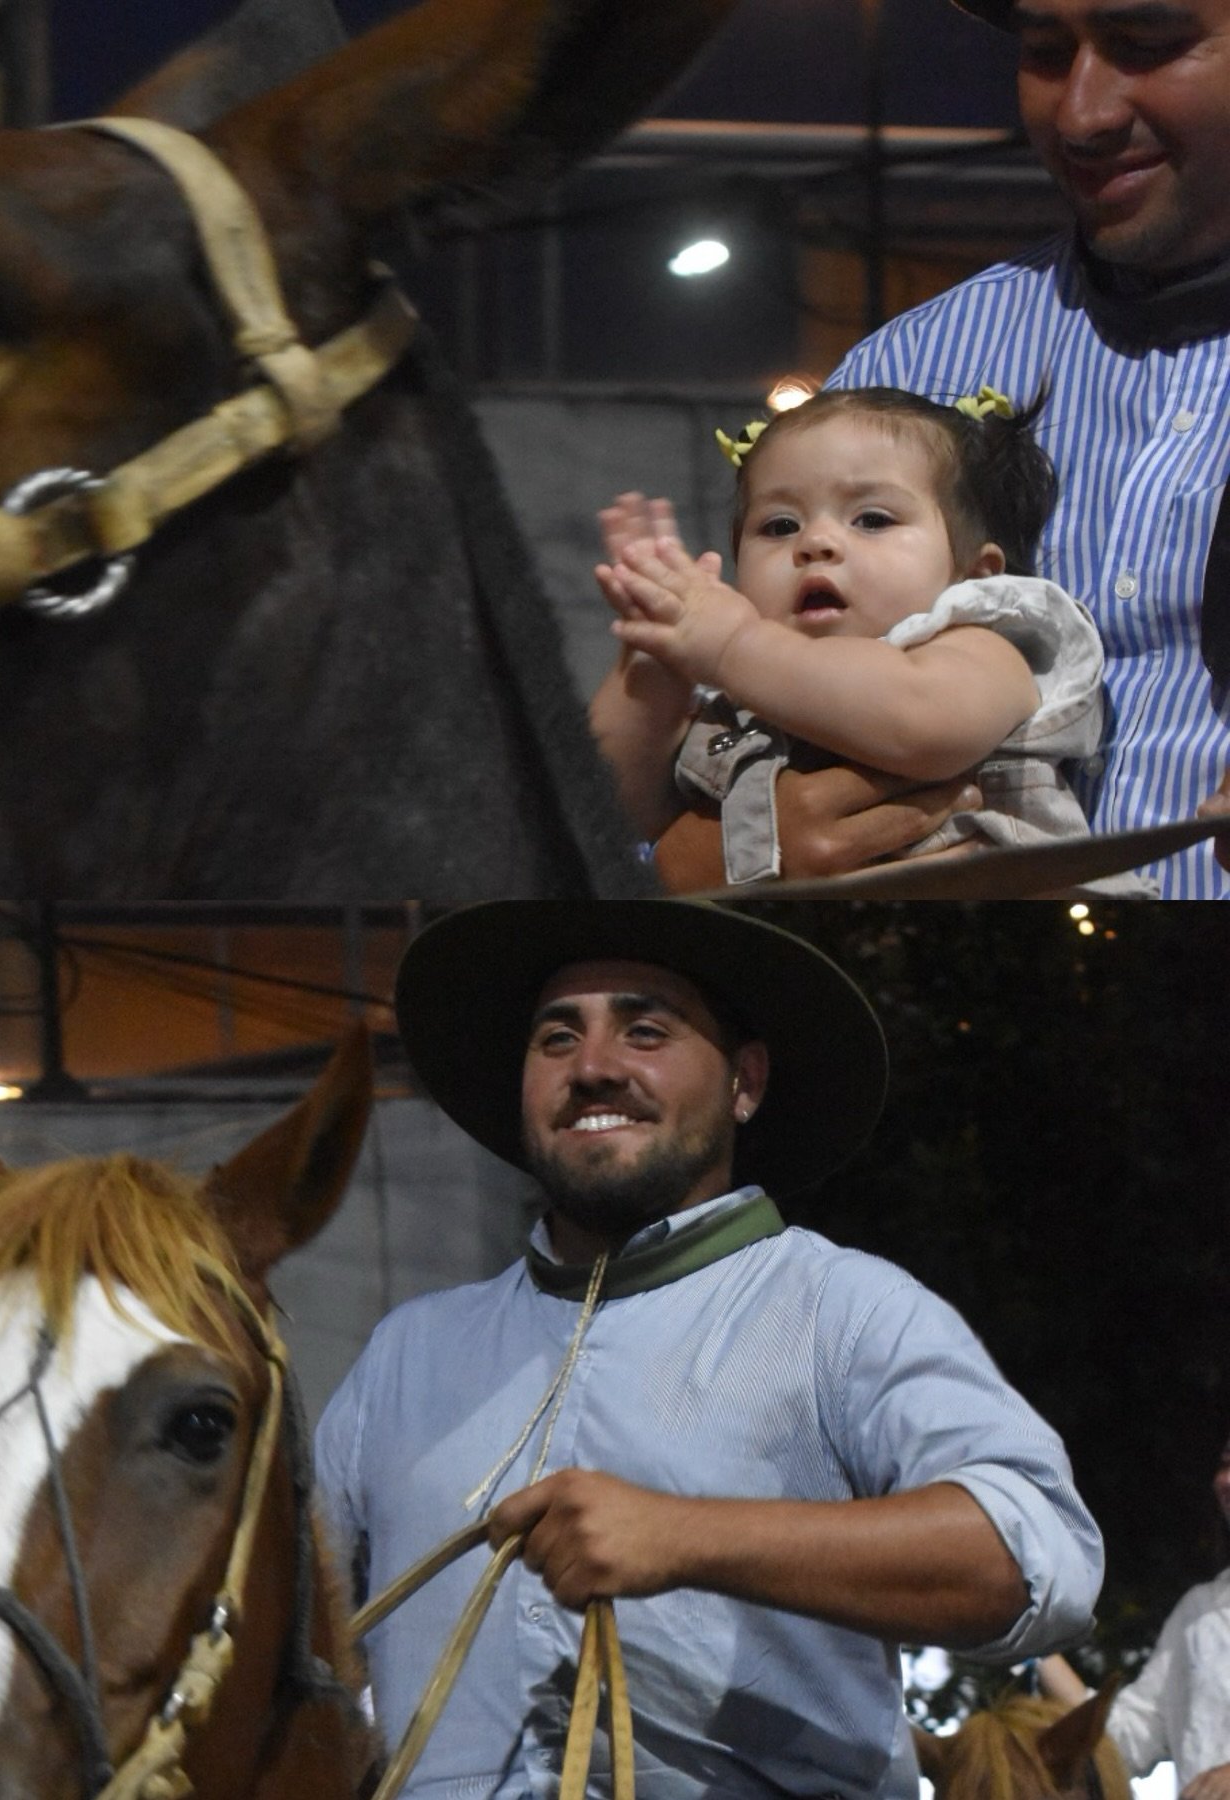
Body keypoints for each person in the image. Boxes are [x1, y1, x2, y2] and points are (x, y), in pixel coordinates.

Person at [314, 900, 1104, 1800]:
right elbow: (285, 1632)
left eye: (645, 1031)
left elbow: (1038, 1558)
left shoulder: (843, 1311)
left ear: (745, 1083)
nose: (593, 1068)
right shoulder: (406, 1354)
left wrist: (684, 1535)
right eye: (557, 1039)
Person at [795, 0, 1230, 898]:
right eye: (1045, 51)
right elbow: (720, 714)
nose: (1082, 113)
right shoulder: (907, 375)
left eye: (1147, 46)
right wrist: (719, 847)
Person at [588, 385, 1151, 892]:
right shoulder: (738, 697)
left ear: (975, 574)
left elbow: (923, 727)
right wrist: (654, 660)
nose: (815, 542)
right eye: (780, 526)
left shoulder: (983, 640)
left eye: (872, 519)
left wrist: (734, 645)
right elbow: (610, 804)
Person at [1038, 1432, 1230, 1798]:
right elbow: (1125, 1740)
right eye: (1224, 1463)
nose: (1225, 1479)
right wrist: (1029, 1647)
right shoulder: (1198, 1613)